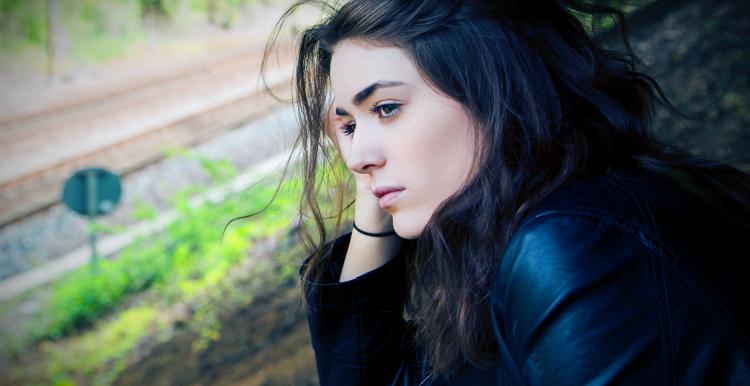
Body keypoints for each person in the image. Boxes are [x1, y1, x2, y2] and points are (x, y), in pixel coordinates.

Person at [253, 0, 750, 384]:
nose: (358, 155)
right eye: (348, 125)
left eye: (385, 108)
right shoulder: (521, 235)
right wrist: (372, 203)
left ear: (490, 88)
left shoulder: (577, 246)